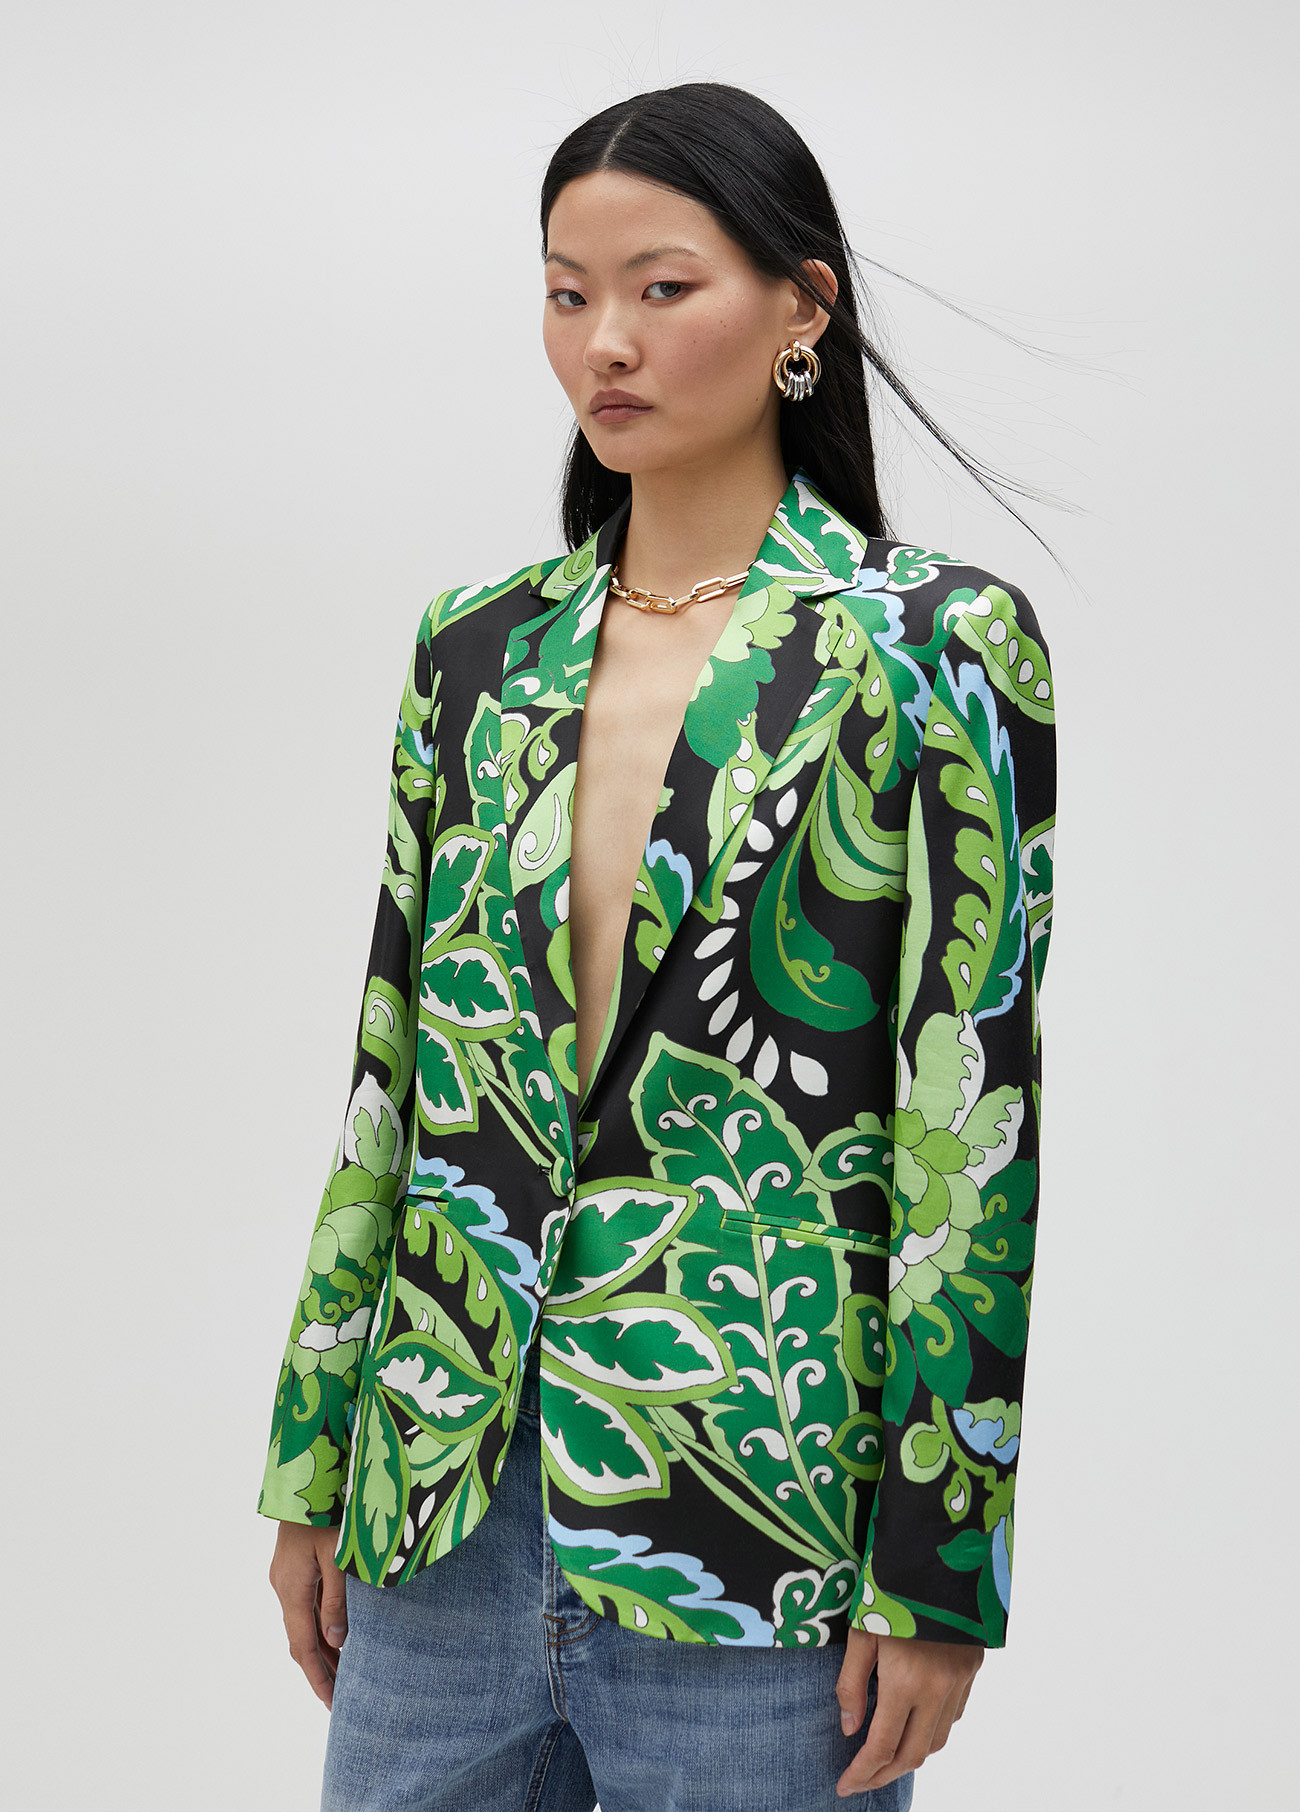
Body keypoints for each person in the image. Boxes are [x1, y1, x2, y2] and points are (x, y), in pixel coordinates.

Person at [260, 81, 1057, 1812]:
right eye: (567, 293)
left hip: (760, 1528)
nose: (603, 341)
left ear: (802, 308)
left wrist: (941, 1567)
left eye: (661, 287)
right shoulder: (475, 651)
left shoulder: (935, 648)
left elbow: (968, 1128)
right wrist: (314, 1459)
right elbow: (391, 1075)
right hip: (439, 1505)